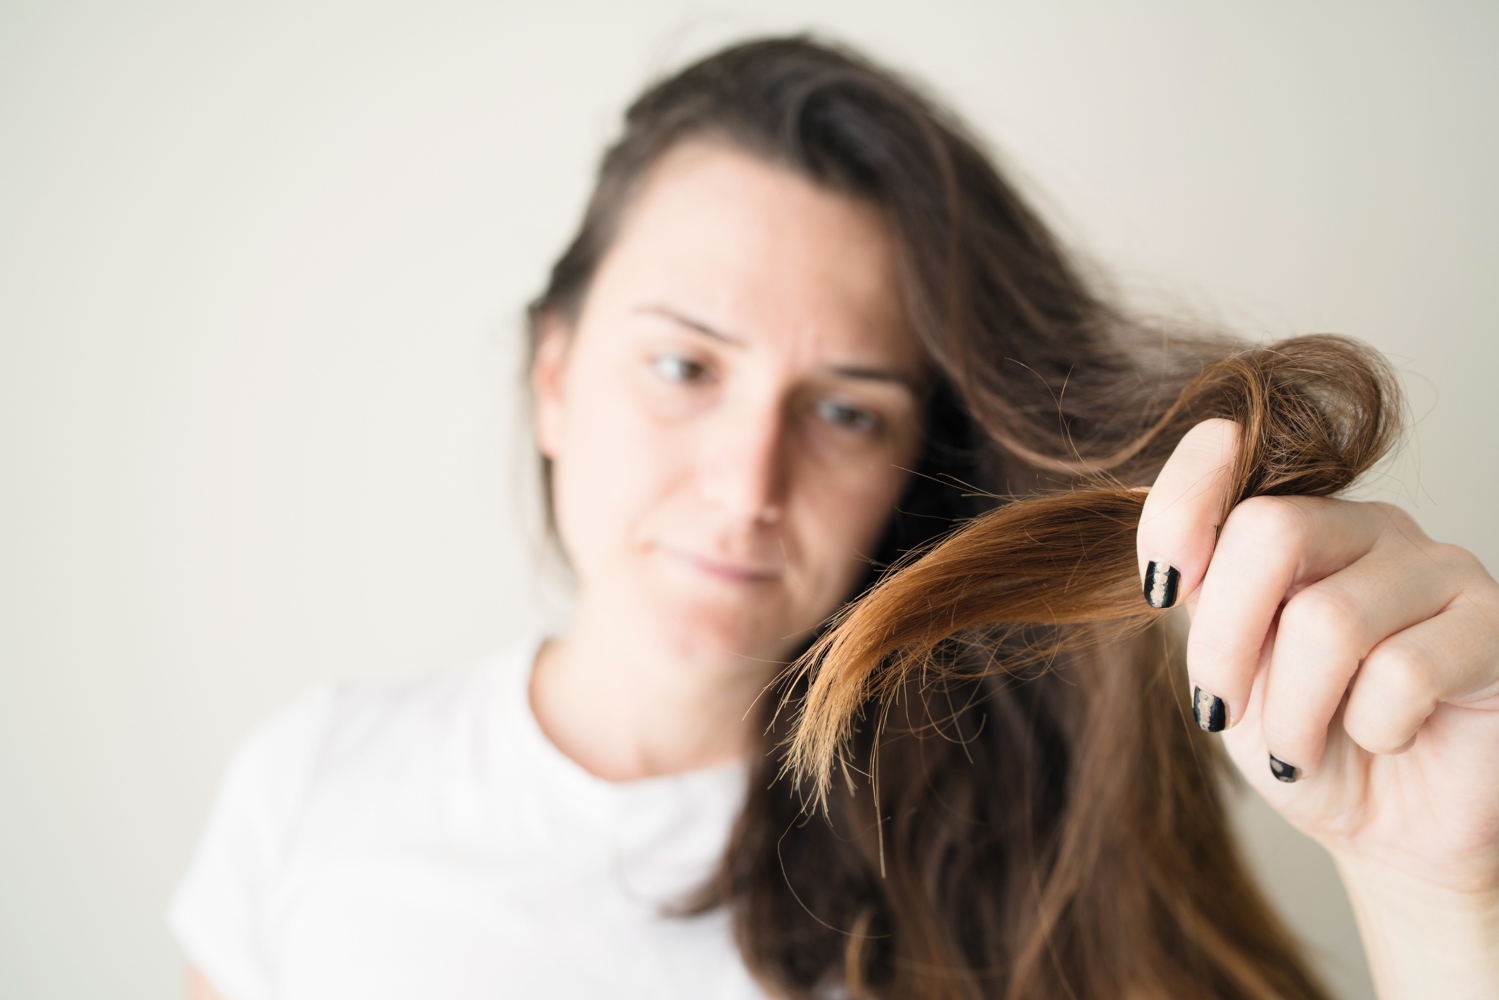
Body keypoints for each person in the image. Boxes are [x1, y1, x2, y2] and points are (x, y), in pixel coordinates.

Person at [170, 36, 1499, 1000]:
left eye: (848, 411)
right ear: (556, 377)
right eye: (685, 367)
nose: (748, 485)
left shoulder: (1033, 879)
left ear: (918, 460)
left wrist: (1443, 896)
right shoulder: (316, 785)